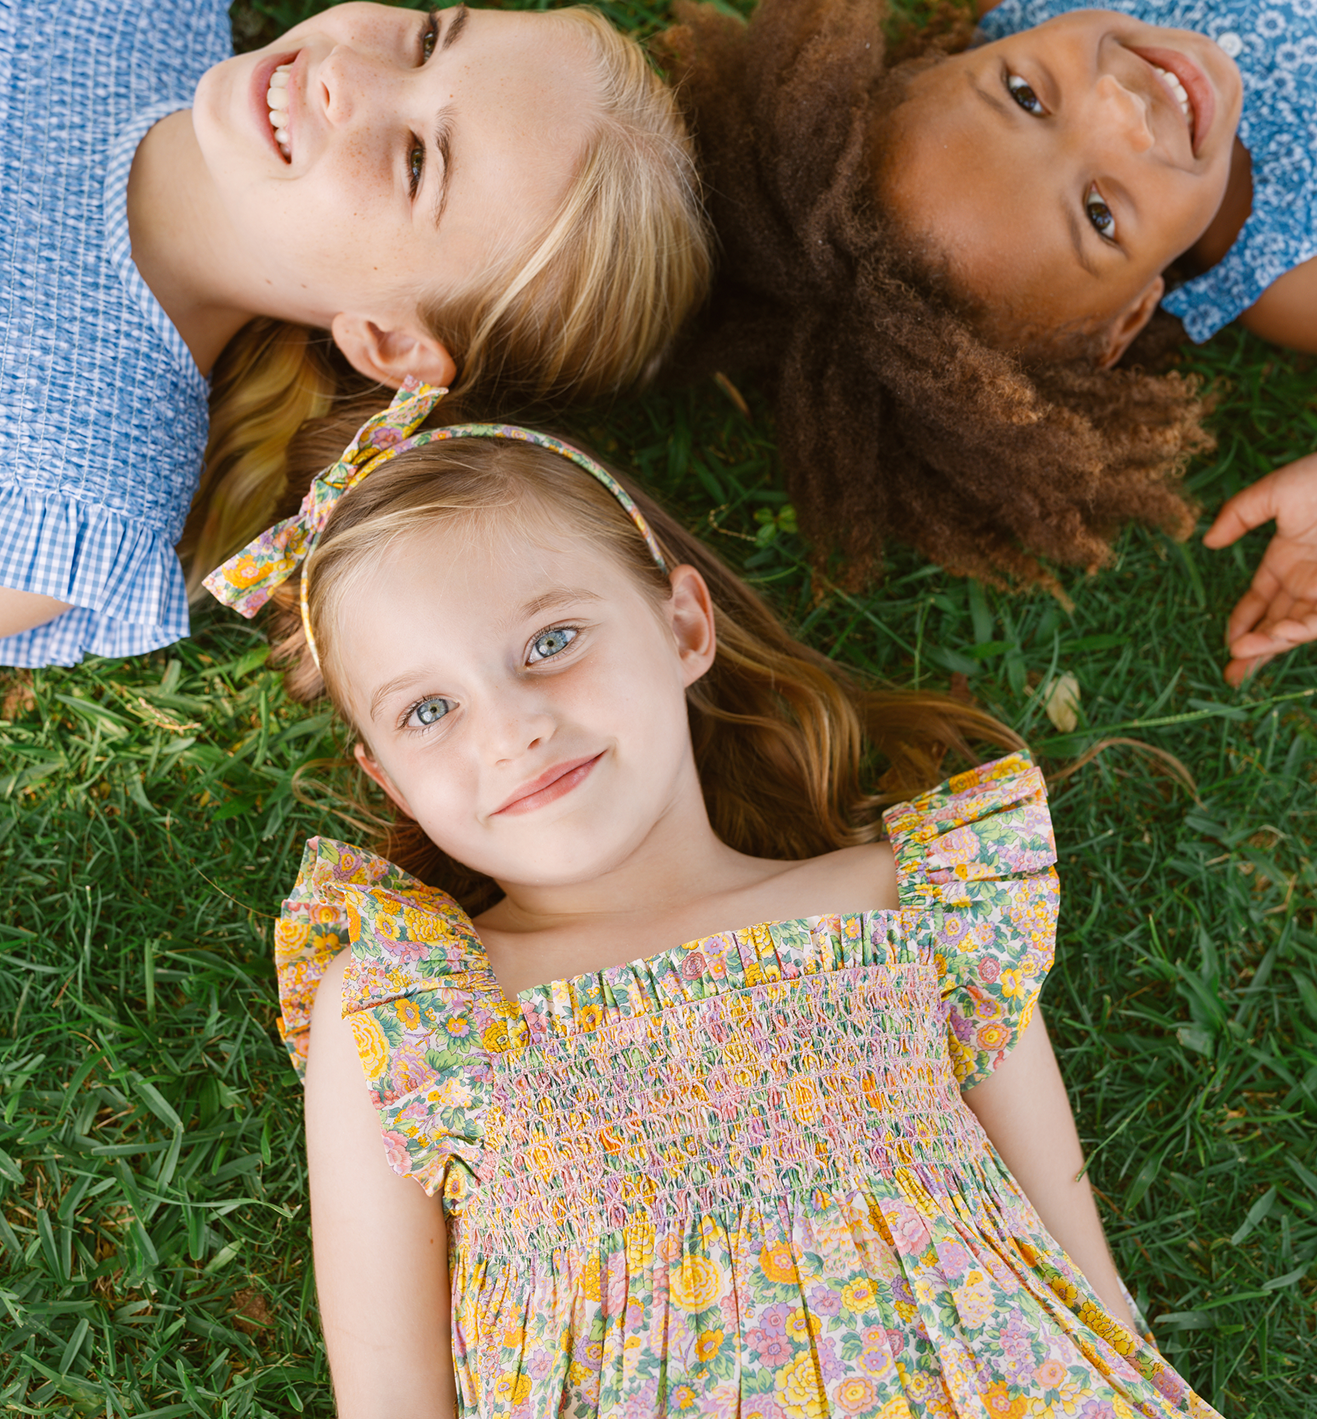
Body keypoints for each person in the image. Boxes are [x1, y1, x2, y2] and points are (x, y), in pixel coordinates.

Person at [208, 382, 1219, 1416]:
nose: (509, 728)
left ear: (685, 627)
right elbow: (387, 1393)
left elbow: (1077, 1273)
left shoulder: (914, 899)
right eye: (428, 708)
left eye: (551, 641)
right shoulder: (408, 1005)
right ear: (387, 780)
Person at [0, 0, 708, 667]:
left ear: (391, 344)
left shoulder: (61, 488)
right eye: (429, 38)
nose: (345, 71)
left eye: (418, 161)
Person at [664, 0, 1311, 682]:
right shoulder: (1291, 269)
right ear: (1127, 318)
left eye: (1026, 96)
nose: (1119, 105)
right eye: (1099, 214)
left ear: (943, 61)